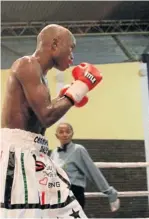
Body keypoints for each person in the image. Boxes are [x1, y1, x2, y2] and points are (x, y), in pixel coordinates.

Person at [0, 24, 103, 218]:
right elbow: (46, 116)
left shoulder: (41, 77)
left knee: (66, 210)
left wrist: (68, 95)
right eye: (71, 48)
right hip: (18, 154)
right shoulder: (27, 64)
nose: (73, 56)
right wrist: (80, 87)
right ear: (55, 43)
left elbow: (42, 113)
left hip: (36, 155)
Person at [50, 122, 120, 211]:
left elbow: (93, 172)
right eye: (61, 132)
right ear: (56, 135)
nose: (65, 134)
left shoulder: (78, 149)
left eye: (68, 131)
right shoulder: (54, 152)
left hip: (74, 192)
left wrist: (110, 193)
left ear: (72, 134)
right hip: (57, 194)